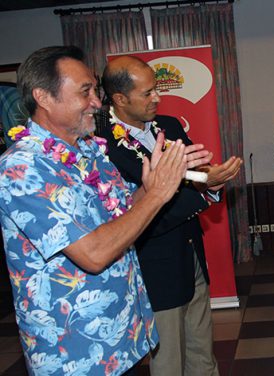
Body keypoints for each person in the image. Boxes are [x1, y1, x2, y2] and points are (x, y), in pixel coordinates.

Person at [0, 46, 193, 375]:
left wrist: (149, 186)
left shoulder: (89, 148)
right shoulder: (21, 168)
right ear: (43, 97)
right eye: (85, 91)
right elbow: (93, 253)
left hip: (123, 337)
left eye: (96, 90)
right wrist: (157, 194)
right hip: (76, 354)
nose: (97, 103)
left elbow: (122, 214)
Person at [97, 55, 242, 376]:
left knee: (202, 353)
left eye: (156, 90)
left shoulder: (170, 126)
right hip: (153, 265)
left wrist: (210, 179)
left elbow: (192, 174)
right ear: (119, 99)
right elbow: (133, 209)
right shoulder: (100, 142)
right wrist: (201, 192)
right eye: (147, 93)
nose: (157, 98)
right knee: (169, 360)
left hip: (190, 251)